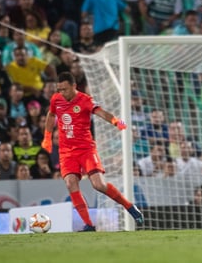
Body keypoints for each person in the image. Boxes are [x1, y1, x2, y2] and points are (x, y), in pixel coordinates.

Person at [41, 71, 143, 231]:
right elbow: (51, 115)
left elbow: (101, 112)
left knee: (99, 184)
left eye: (65, 89)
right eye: (59, 89)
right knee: (70, 183)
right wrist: (47, 137)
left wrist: (116, 121)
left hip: (86, 149)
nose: (61, 93)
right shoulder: (56, 99)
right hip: (67, 152)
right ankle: (89, 224)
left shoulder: (85, 100)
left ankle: (130, 207)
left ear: (74, 86)